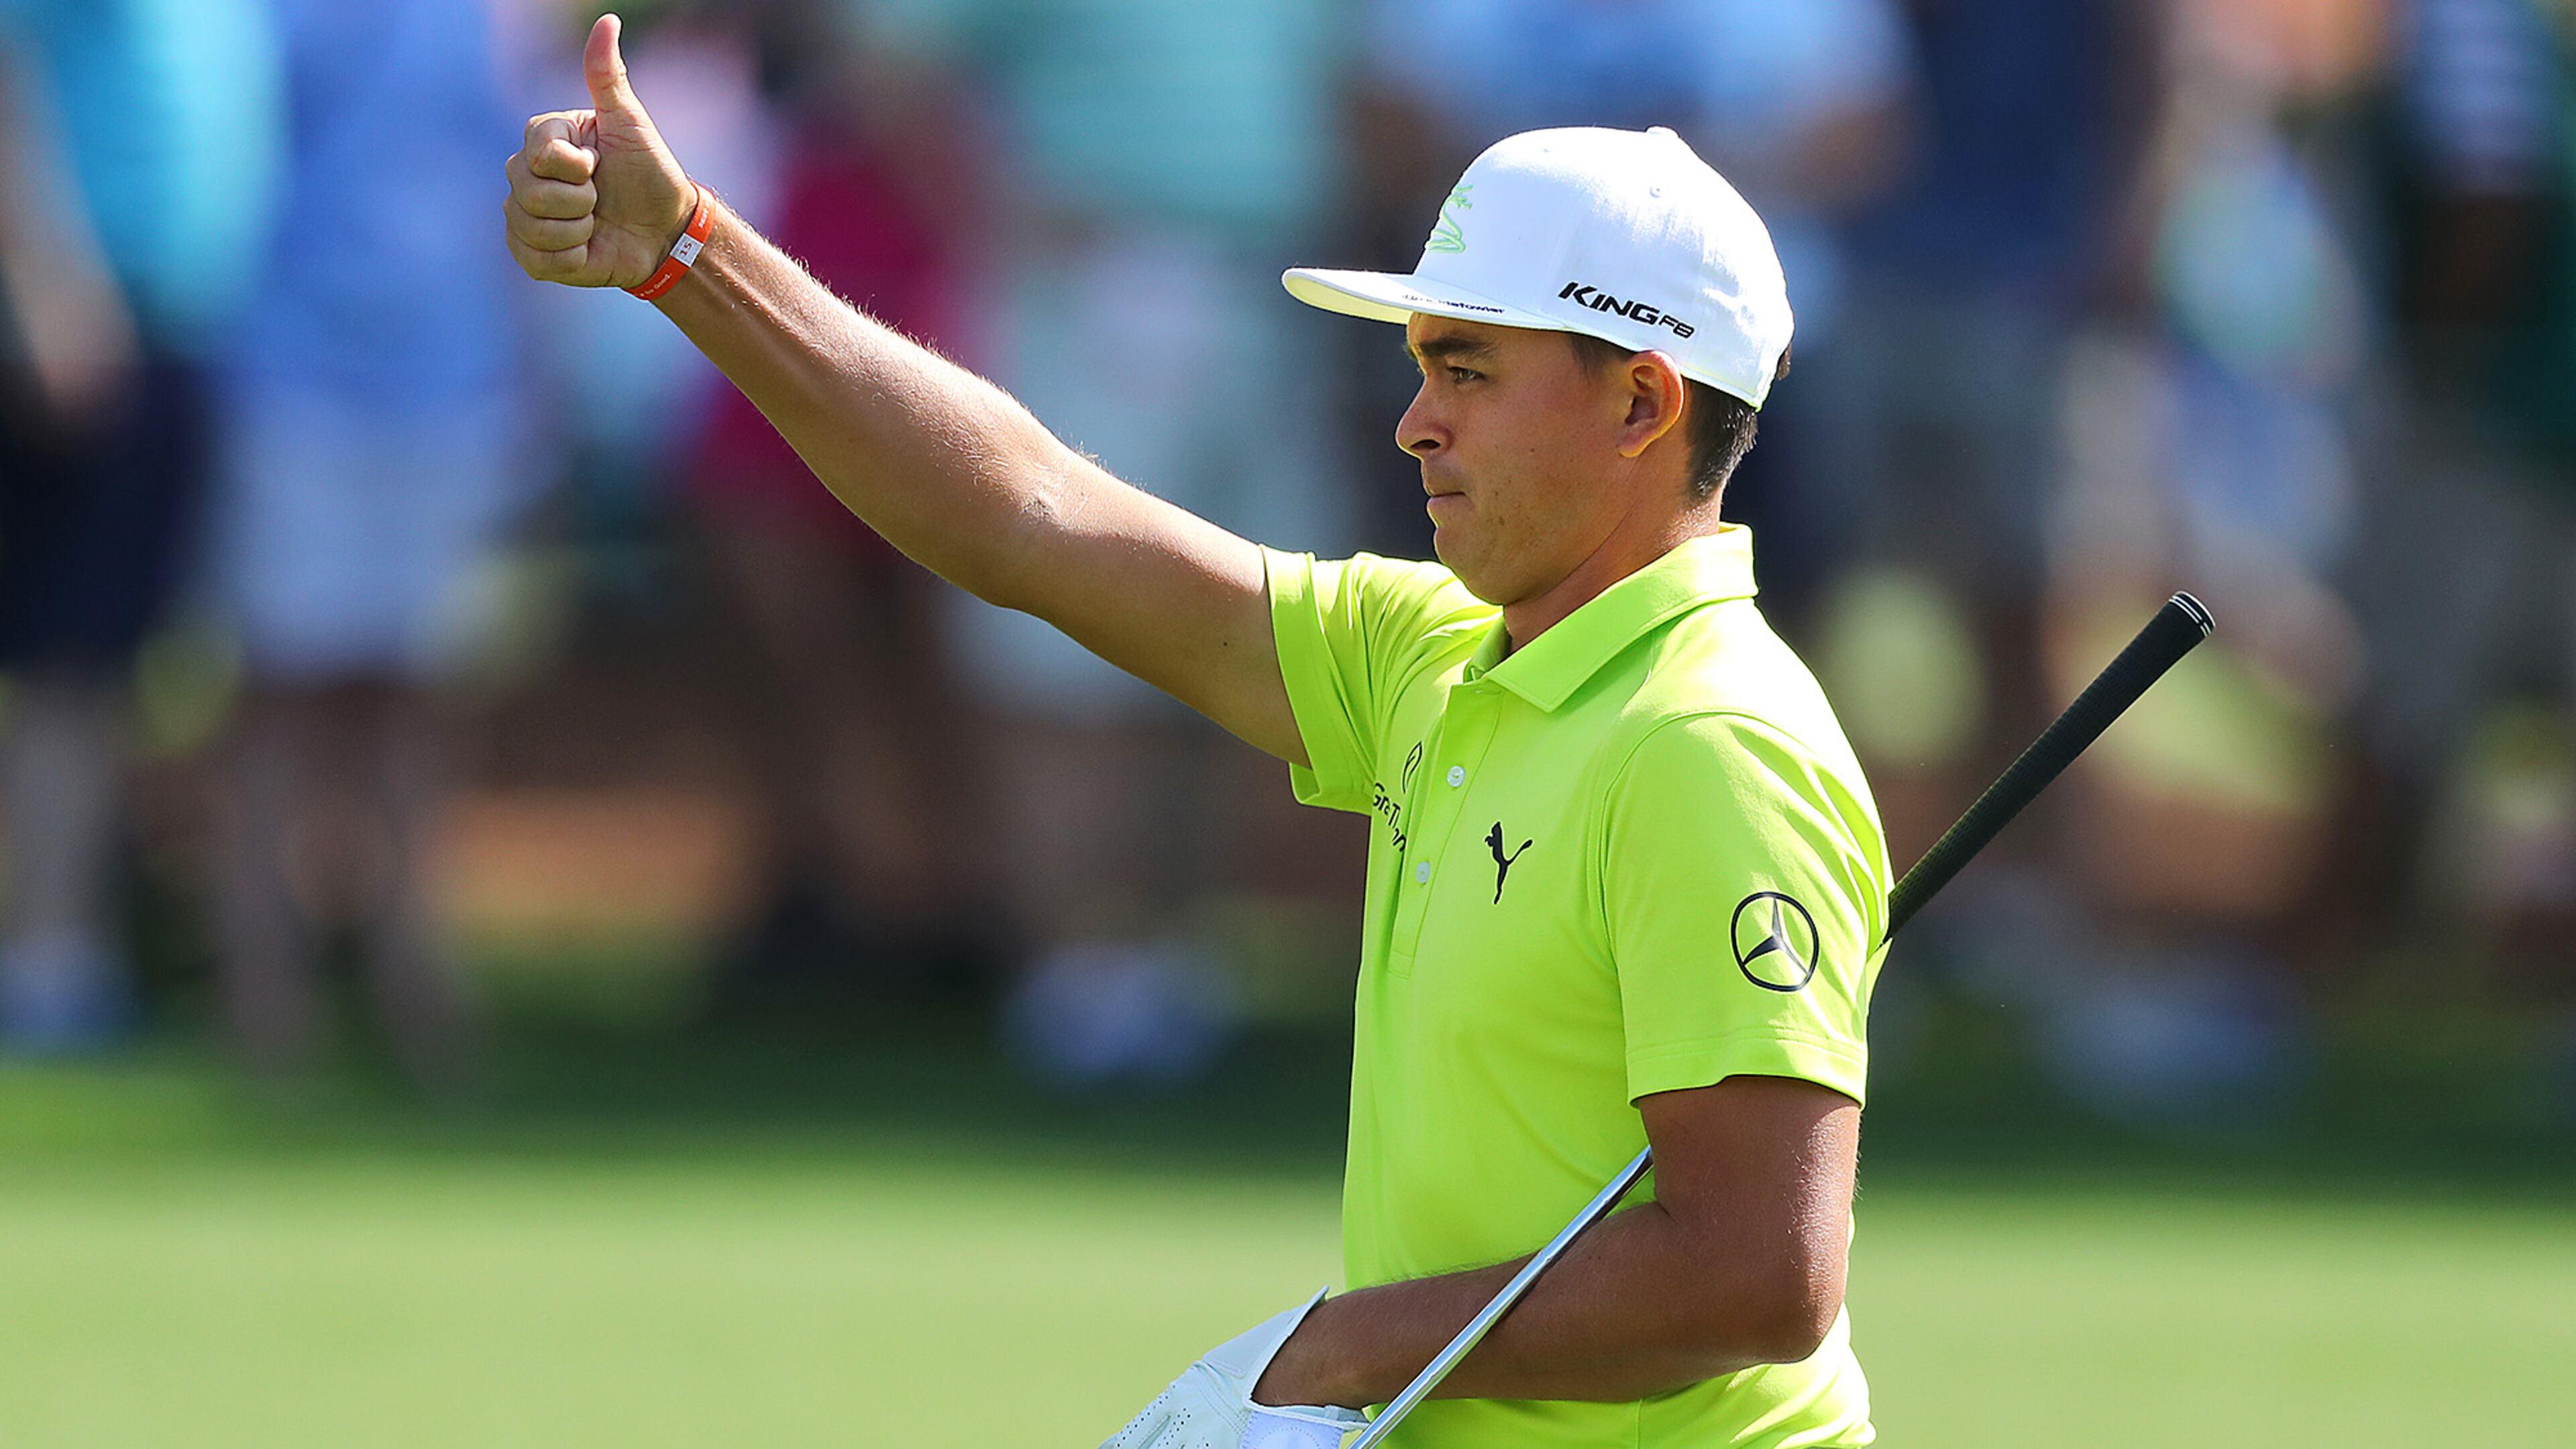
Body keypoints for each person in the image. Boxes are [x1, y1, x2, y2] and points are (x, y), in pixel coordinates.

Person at [506, 16, 1886, 1448]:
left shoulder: (1712, 747)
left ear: (1642, 404)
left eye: (1469, 371)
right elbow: (1034, 517)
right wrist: (691, 259)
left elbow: (1754, 1277)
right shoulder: (1434, 657)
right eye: (1421, 366)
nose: (1414, 423)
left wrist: (1335, 1350)